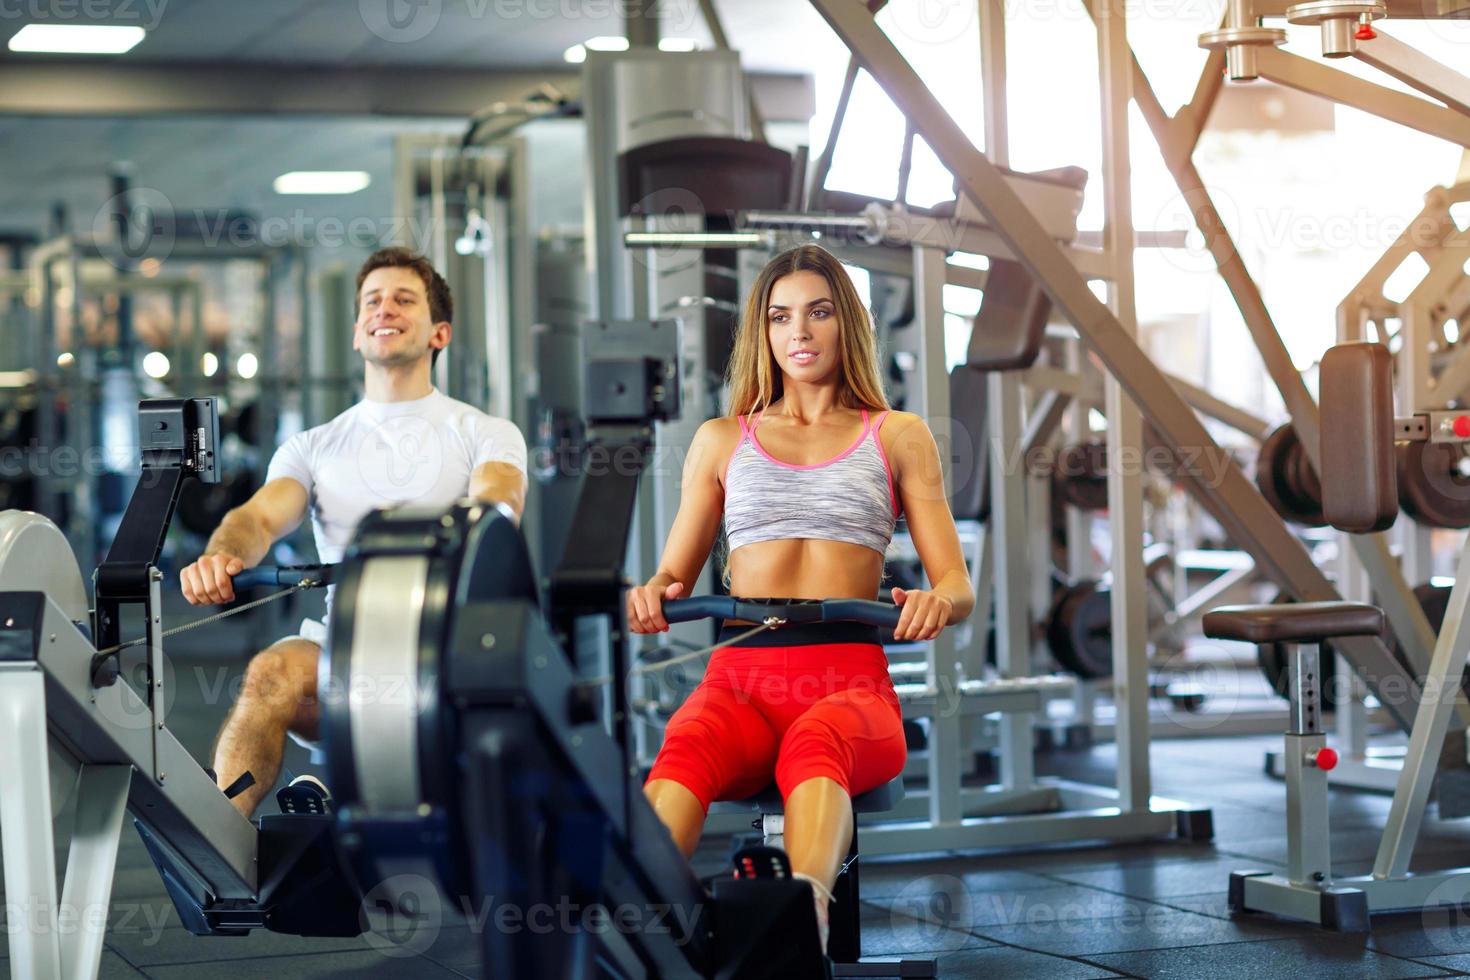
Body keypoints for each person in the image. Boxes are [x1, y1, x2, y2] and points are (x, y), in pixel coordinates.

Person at [626, 243, 974, 952]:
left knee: (818, 746)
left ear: (847, 325)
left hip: (848, 683)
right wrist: (652, 594)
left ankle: (796, 923)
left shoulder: (897, 435)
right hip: (740, 680)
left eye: (818, 313)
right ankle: (642, 928)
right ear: (764, 333)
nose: (800, 333)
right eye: (781, 317)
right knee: (685, 744)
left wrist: (937, 604)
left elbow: (956, 586)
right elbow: (673, 577)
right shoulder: (723, 439)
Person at [180, 246, 528, 818]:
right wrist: (222, 555)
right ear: (356, 333)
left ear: (439, 333)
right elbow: (258, 517)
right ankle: (222, 854)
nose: (383, 308)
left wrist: (464, 534)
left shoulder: (484, 431)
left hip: (450, 648)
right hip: (345, 656)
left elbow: (497, 501)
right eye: (372, 300)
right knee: (271, 672)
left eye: (403, 299)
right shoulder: (313, 446)